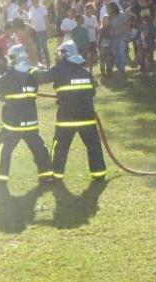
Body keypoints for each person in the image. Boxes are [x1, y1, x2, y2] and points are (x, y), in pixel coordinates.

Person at [37, 41, 106, 180]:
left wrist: (33, 70)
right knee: (93, 145)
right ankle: (99, 174)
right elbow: (92, 92)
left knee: (60, 146)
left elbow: (43, 78)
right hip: (87, 117)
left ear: (64, 54)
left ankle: (56, 173)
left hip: (67, 118)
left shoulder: (59, 69)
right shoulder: (85, 72)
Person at [0, 44, 54, 184]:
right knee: (39, 149)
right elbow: (45, 76)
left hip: (13, 124)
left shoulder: (8, 76)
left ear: (12, 58)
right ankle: (47, 174)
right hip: (31, 122)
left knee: (2, 148)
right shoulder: (33, 73)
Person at [29, 0, 51, 66]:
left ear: (38, 1)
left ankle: (48, 64)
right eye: (33, 2)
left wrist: (48, 30)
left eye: (36, 1)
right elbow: (31, 21)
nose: (34, 3)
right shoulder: (31, 9)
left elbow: (46, 19)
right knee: (38, 48)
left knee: (44, 47)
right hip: (35, 31)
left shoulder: (43, 8)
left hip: (43, 30)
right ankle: (41, 64)